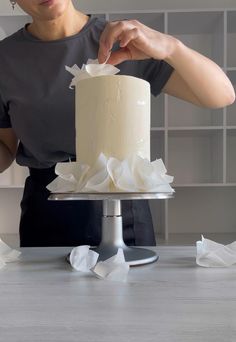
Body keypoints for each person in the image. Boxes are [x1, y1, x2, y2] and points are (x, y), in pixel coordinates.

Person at [0, 0, 235, 247]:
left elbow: (222, 95)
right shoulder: (4, 60)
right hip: (46, 210)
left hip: (125, 205)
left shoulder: (125, 39)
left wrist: (171, 47)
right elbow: (5, 147)